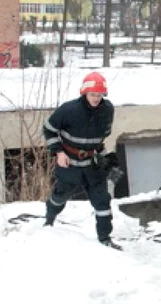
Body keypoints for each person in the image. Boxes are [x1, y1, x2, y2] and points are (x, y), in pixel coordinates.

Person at [43, 71, 119, 250]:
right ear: (84, 93)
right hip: (69, 163)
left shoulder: (108, 109)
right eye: (93, 94)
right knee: (60, 197)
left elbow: (103, 135)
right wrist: (59, 152)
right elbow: (49, 129)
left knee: (102, 201)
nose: (96, 98)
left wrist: (105, 158)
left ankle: (105, 238)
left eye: (99, 95)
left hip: (93, 165)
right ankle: (49, 221)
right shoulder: (69, 110)